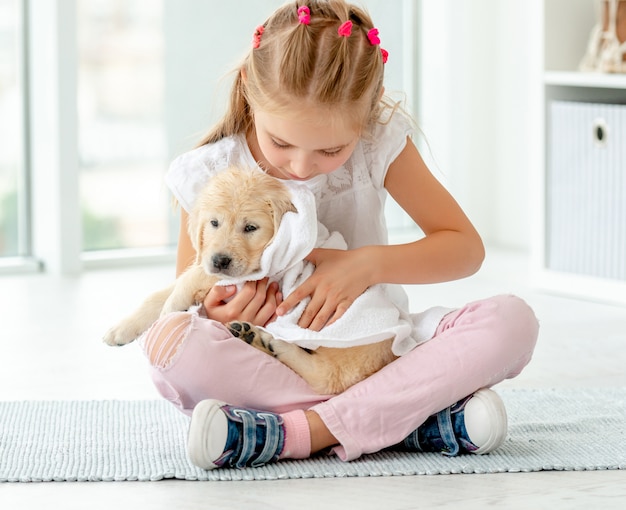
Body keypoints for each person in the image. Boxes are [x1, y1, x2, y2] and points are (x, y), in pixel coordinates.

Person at [141, 0, 539, 470]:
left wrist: (366, 265)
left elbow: (465, 249)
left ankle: (295, 434)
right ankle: (412, 420)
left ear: (368, 113)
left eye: (331, 149)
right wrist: (217, 314)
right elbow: (190, 299)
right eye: (281, 143)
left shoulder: (379, 142)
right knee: (171, 345)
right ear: (249, 87)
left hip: (377, 349)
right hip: (273, 358)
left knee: (512, 322)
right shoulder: (209, 172)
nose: (302, 167)